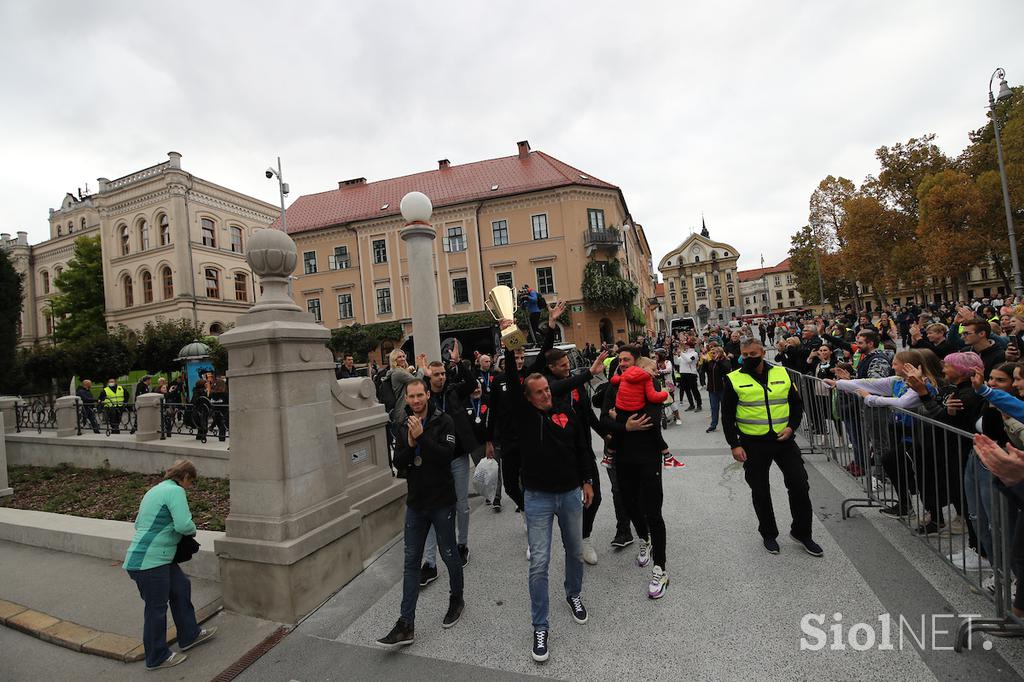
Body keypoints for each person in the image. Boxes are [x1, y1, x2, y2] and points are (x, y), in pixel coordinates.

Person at [501, 319, 593, 664]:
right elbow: (514, 379)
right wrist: (510, 343)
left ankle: (574, 594)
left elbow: (582, 448)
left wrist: (586, 480)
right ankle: (540, 625)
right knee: (539, 563)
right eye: (538, 392)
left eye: (547, 390)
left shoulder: (566, 411)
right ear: (527, 397)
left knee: (574, 550)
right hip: (537, 498)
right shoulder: (524, 416)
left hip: (570, 493)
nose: (545, 394)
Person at [376, 379, 464, 648]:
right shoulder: (403, 424)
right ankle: (406, 624)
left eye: (419, 395)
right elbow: (399, 463)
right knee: (410, 562)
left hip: (442, 502)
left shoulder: (444, 420)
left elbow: (444, 456)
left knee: (449, 554)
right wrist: (411, 444)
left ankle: (456, 598)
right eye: (411, 396)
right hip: (416, 504)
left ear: (427, 395)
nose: (415, 400)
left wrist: (421, 437)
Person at [722, 338, 823, 557]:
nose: (748, 358)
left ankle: (802, 533)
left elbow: (796, 404)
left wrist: (791, 427)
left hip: (784, 440)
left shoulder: (782, 373)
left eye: (752, 354)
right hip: (753, 443)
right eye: (744, 355)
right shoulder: (733, 379)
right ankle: (769, 534)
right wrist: (734, 445)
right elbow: (727, 416)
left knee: (799, 484)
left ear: (762, 352)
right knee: (760, 490)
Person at [124, 459, 217, 670]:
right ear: (184, 477)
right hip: (150, 561)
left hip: (151, 558)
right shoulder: (175, 492)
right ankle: (157, 657)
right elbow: (184, 524)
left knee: (180, 588)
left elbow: (139, 523)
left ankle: (190, 635)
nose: (190, 487)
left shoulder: (155, 490)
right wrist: (192, 530)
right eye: (190, 482)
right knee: (156, 609)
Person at [600, 355, 671, 599]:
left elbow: (650, 419)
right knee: (630, 507)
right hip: (623, 457)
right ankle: (644, 539)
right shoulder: (616, 385)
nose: (625, 365)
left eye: (629, 361)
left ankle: (660, 569)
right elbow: (603, 420)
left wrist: (617, 417)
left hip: (649, 457)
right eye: (621, 361)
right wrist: (623, 424)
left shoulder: (652, 383)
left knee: (654, 513)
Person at [544, 346, 608, 565]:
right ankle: (570, 540)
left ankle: (584, 536)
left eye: (568, 363)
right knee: (564, 503)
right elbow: (558, 387)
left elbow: (588, 413)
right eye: (562, 365)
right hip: (560, 455)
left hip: (583, 450)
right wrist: (588, 373)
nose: (568, 367)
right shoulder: (547, 385)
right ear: (551, 368)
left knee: (595, 496)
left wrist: (606, 435)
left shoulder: (575, 382)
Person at [418, 358, 476, 586]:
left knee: (461, 503)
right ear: (429, 378)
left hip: (457, 457)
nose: (441, 377)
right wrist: (423, 375)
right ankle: (429, 562)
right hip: (434, 461)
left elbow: (471, 383)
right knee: (433, 509)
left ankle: (462, 544)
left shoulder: (453, 392)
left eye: (443, 373)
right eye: (436, 375)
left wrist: (459, 362)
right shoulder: (425, 399)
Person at [704, 346, 732, 433]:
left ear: (720, 353)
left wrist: (718, 362)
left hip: (722, 388)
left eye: (714, 353)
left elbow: (726, 370)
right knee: (714, 407)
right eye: (712, 353)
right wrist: (704, 361)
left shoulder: (725, 361)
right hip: (712, 389)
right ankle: (713, 425)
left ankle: (727, 424)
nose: (712, 355)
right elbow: (702, 371)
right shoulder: (710, 362)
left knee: (725, 408)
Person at [674, 341, 701, 413]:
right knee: (687, 390)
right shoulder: (684, 353)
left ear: (689, 346)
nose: (684, 347)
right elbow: (676, 362)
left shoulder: (694, 354)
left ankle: (699, 405)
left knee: (694, 390)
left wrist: (681, 353)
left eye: (686, 345)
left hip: (691, 373)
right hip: (683, 373)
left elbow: (689, 360)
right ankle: (691, 404)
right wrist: (675, 355)